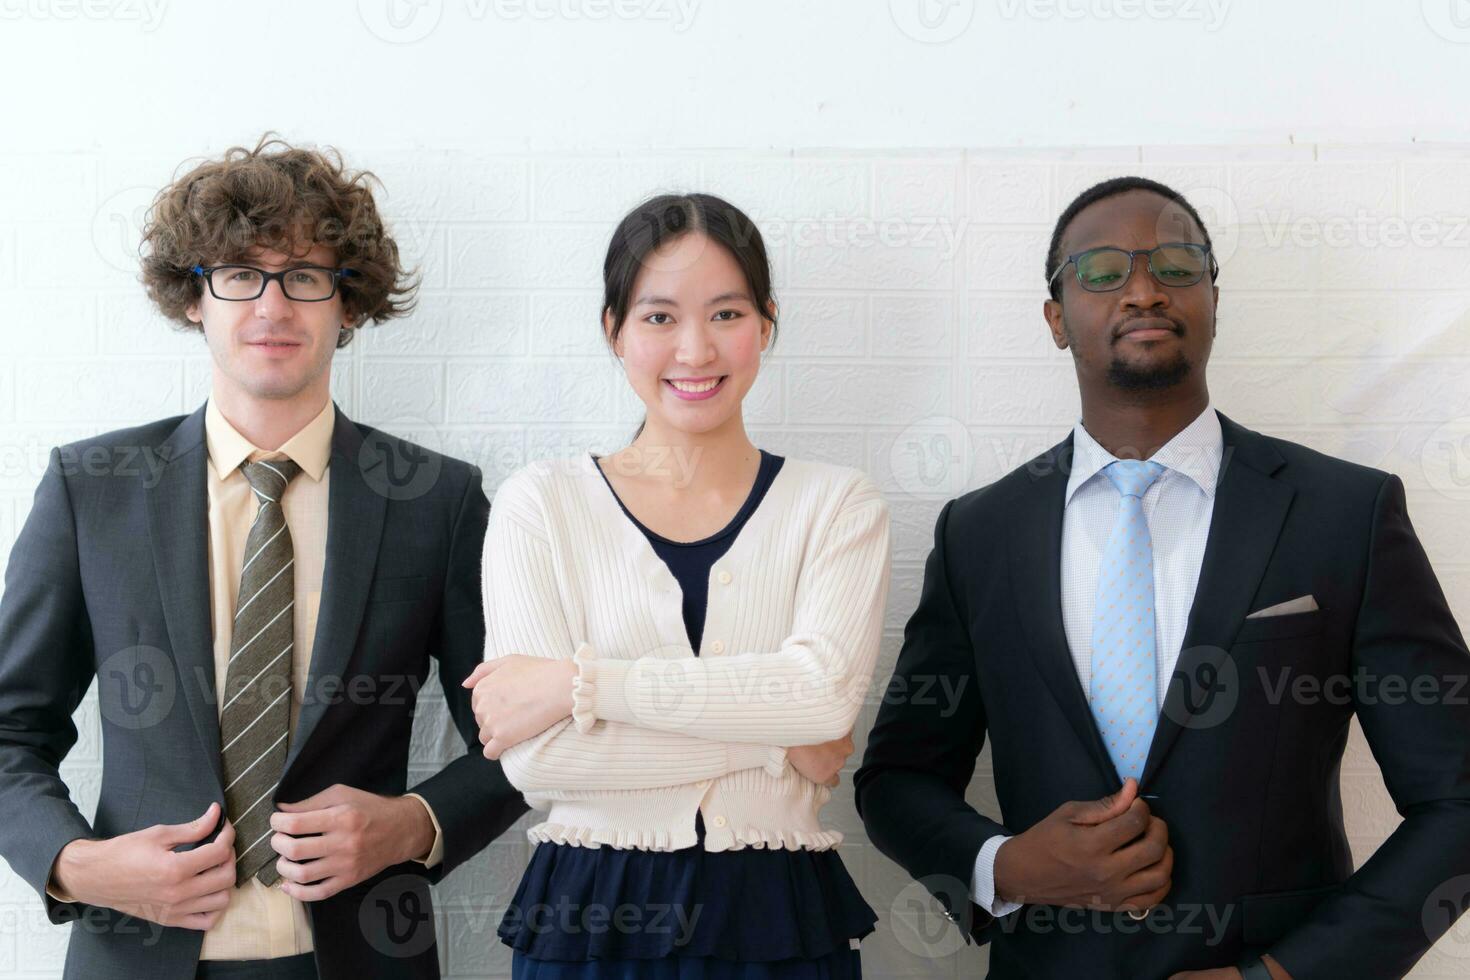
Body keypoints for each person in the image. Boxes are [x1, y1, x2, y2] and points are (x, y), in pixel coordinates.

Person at [854, 176, 1470, 979]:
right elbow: (897, 780)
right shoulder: (980, 533)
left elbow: (1457, 800)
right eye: (1102, 272)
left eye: (1177, 265)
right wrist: (1004, 867)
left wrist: (1289, 976)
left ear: (1214, 296)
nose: (1143, 289)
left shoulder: (1344, 513)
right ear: (1055, 317)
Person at [0, 135, 527, 979]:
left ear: (348, 305)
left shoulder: (437, 502)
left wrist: (415, 822)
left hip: (360, 958)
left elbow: (523, 738)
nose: (272, 307)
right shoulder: (90, 491)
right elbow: (7, 731)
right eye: (240, 274)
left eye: (305, 277)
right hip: (137, 959)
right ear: (192, 298)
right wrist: (78, 866)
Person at [461, 193, 890, 978]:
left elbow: (823, 698)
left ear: (766, 324)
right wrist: (777, 736)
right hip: (590, 915)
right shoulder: (542, 503)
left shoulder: (837, 505)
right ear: (613, 332)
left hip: (776, 911)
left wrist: (581, 686)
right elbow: (537, 761)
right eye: (659, 318)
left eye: (725, 314)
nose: (695, 350)